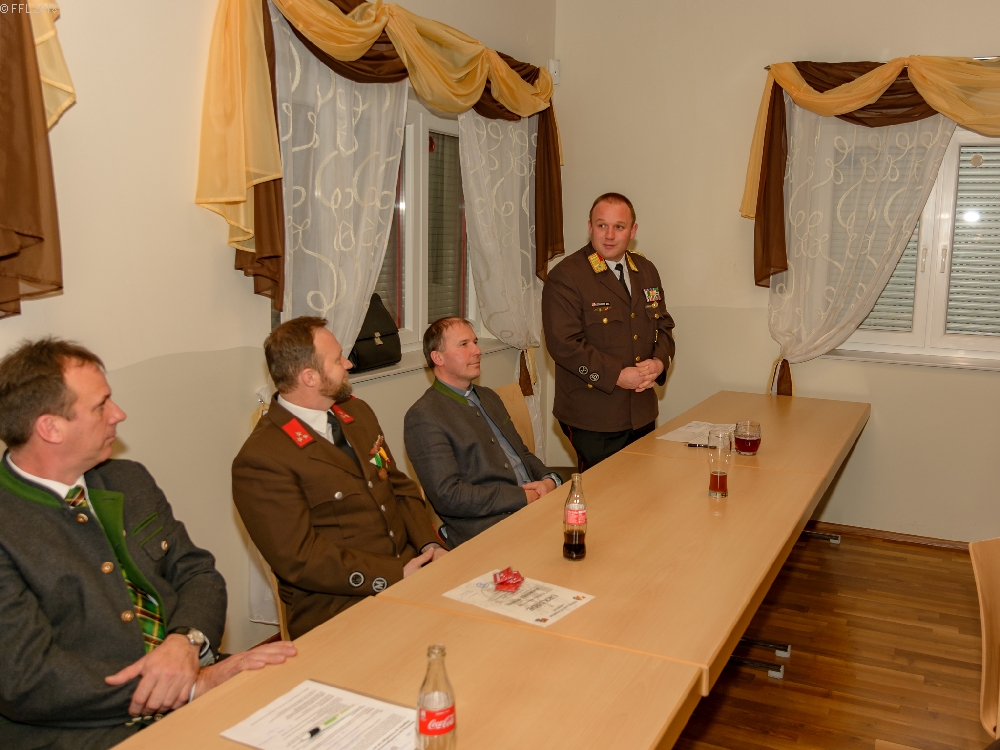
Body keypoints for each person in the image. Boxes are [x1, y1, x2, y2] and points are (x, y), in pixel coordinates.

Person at [0, 338, 296, 750]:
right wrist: (188, 687)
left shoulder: (127, 479)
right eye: (101, 406)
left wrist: (185, 641)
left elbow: (197, 572)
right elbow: (28, 678)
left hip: (193, 673)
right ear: (50, 428)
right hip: (86, 728)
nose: (118, 414)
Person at [232, 317, 445, 639]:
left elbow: (399, 487)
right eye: (337, 359)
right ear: (309, 377)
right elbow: (300, 559)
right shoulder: (262, 459)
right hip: (339, 604)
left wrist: (429, 545)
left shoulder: (357, 413)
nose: (348, 363)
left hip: (411, 571)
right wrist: (394, 574)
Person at [542, 192, 676, 471]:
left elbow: (663, 325)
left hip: (641, 410)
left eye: (619, 227)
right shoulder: (567, 276)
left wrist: (659, 362)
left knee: (643, 488)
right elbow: (564, 344)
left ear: (633, 231)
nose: (610, 235)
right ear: (590, 227)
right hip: (593, 414)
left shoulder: (646, 270)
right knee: (602, 493)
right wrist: (616, 375)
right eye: (602, 225)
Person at [404, 318, 563, 547]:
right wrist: (521, 497)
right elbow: (449, 495)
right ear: (438, 358)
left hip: (535, 507)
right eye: (464, 344)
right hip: (488, 528)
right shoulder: (424, 416)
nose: (477, 351)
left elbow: (522, 453)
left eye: (475, 342)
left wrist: (549, 480)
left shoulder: (489, 396)